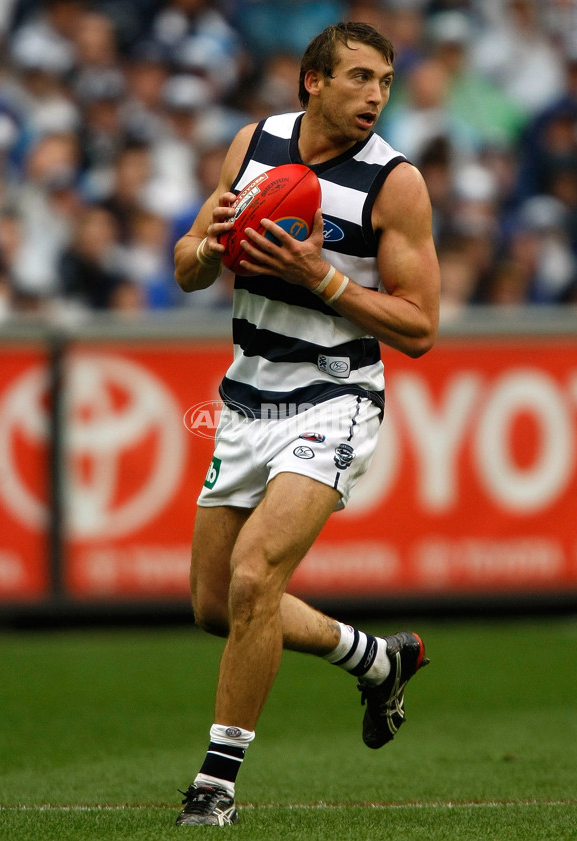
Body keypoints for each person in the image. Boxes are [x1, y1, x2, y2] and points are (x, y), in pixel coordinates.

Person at [172, 21, 440, 826]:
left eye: (385, 81)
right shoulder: (254, 143)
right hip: (248, 395)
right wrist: (206, 246)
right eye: (360, 78)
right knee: (216, 602)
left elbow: (421, 327)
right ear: (312, 81)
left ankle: (214, 787)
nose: (375, 96)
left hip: (335, 398)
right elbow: (188, 266)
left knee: (256, 577)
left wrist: (322, 278)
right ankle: (377, 660)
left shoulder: (394, 182)